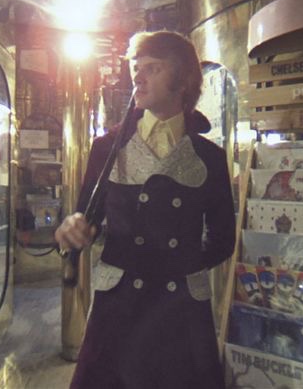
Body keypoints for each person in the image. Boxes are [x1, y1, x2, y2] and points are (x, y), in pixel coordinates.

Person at [55, 30, 235, 389]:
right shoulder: (107, 148)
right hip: (119, 308)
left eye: (153, 68)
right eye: (136, 68)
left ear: (183, 79)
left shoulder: (210, 158)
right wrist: (70, 229)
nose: (139, 77)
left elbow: (223, 240)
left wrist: (181, 266)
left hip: (181, 310)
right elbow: (85, 218)